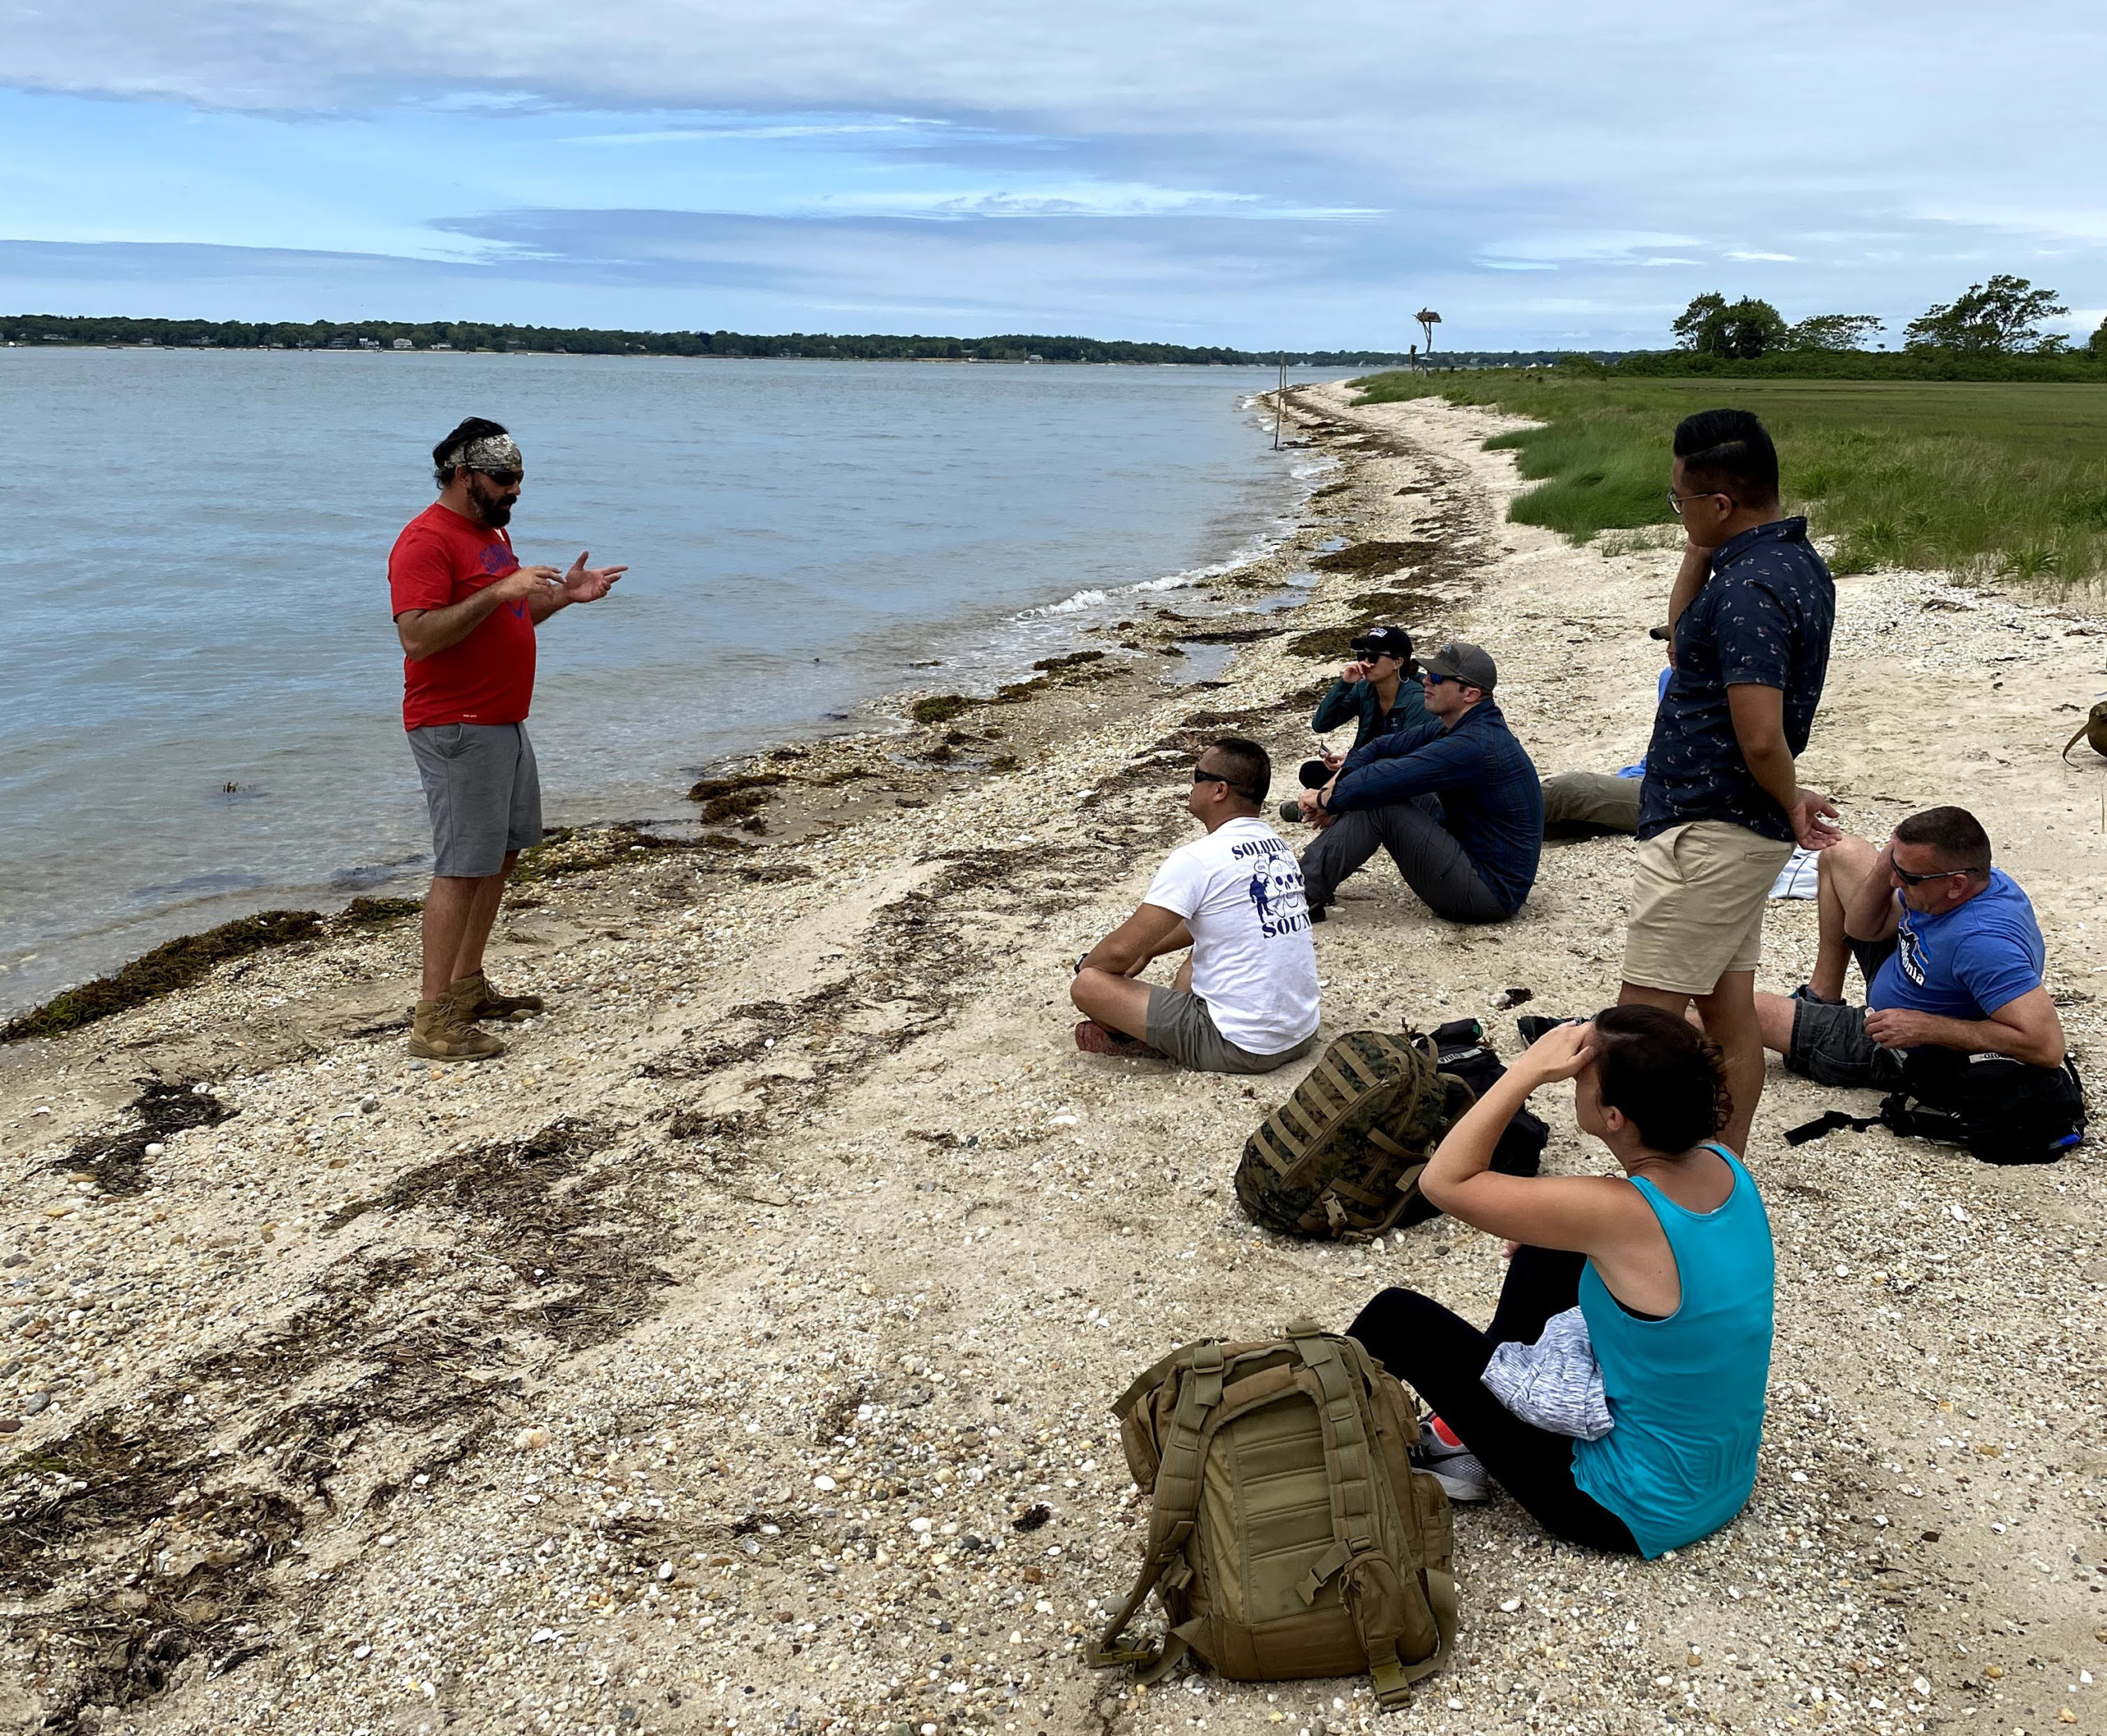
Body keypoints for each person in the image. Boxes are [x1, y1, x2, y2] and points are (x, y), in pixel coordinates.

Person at [1347, 1008, 1775, 1559]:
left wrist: (1525, 1071)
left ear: (1615, 1116)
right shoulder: (1724, 1164)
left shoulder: (1616, 1212)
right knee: (1551, 1247)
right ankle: (1466, 1439)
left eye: (1582, 1069)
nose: (1570, 1067)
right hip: (1717, 1484)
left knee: (1396, 1316)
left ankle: (1308, 1441)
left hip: (1617, 1506)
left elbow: (1443, 1180)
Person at [1620, 408, 1838, 1159]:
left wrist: (1791, 799)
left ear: (1722, 504)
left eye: (1681, 501)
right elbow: (1685, 644)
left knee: (1637, 1030)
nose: (1677, 511)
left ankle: (1657, 1198)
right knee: (1729, 1014)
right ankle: (1724, 1171)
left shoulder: (1752, 587)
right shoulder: (1786, 562)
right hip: (1732, 829)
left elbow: (1760, 732)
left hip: (1707, 829)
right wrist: (1697, 547)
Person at [388, 417, 627, 1060]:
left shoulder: (490, 532)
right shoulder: (424, 541)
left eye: (519, 480)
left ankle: (466, 987)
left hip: (502, 719)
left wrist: (567, 598)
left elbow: (511, 613)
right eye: (502, 480)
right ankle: (432, 1018)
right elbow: (418, 636)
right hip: (455, 725)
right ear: (464, 474)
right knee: (461, 865)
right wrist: (500, 592)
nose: (514, 490)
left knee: (502, 854)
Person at [1753, 806, 2065, 1089]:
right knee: (1843, 852)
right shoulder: (1971, 883)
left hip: (1895, 1045)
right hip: (1910, 966)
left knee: (1728, 1010)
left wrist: (1927, 1028)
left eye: (1907, 877)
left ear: (1956, 885)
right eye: (1895, 868)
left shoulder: (1983, 945)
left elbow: (2047, 1046)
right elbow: (1861, 929)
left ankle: (1823, 1035)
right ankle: (1822, 996)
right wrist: (1886, 865)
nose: (1896, 883)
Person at [1070, 738, 1320, 1073]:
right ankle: (1165, 1025)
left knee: (1089, 986)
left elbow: (1118, 952)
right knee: (1208, 940)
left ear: (1219, 790)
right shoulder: (1276, 846)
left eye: (1196, 775)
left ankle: (1142, 1038)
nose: (1191, 785)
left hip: (1243, 1045)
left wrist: (1090, 965)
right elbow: (1226, 918)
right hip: (1300, 1032)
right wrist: (1150, 951)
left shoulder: (1198, 858)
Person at [1297, 641, 1542, 924]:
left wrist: (1325, 800)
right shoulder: (1454, 725)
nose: (1426, 680)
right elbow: (1379, 748)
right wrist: (1330, 793)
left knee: (1380, 800)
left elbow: (1384, 779)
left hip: (1490, 894)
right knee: (1371, 787)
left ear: (1471, 694)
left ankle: (1300, 892)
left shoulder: (1474, 743)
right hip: (1468, 851)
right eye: (1427, 673)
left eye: (1437, 678)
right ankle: (1309, 882)